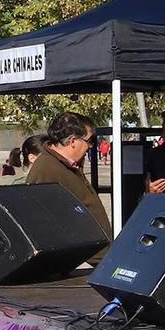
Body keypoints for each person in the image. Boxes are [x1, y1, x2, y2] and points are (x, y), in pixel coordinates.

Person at [21, 111, 113, 261]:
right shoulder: (47, 169)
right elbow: (42, 224)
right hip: (80, 261)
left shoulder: (67, 164)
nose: (90, 146)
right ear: (73, 141)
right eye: (89, 141)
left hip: (96, 255)